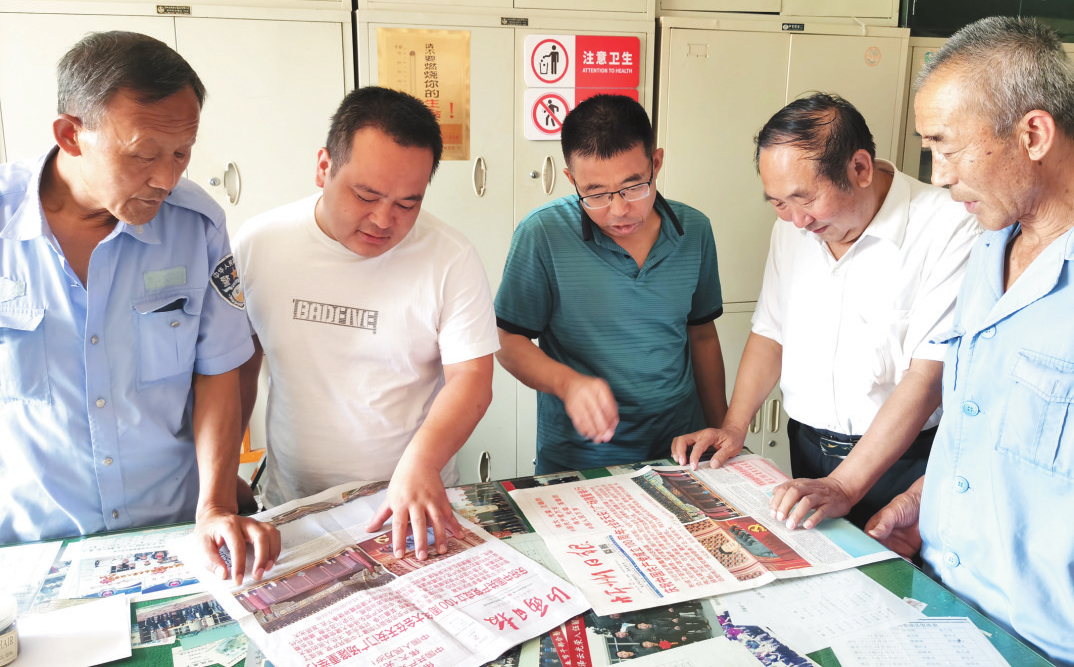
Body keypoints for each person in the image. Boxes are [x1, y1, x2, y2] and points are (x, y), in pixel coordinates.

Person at [0, 31, 278, 583]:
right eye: (144, 155)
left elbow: (219, 369)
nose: (167, 179)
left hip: (174, 534)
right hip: (29, 548)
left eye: (181, 153)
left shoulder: (196, 225)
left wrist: (215, 505)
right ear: (71, 135)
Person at [866, 17, 1074, 665]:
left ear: (1033, 134)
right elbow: (989, 424)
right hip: (946, 607)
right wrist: (923, 499)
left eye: (948, 148)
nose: (938, 174)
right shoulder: (989, 248)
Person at [673, 93, 979, 529]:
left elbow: (928, 376)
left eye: (805, 199)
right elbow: (771, 332)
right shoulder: (793, 227)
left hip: (904, 461)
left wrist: (845, 485)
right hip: (808, 449)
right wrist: (734, 426)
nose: (796, 220)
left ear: (860, 168)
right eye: (778, 202)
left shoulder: (949, 226)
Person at [235, 86, 497, 560]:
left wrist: (422, 463)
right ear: (324, 167)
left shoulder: (450, 257)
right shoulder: (259, 244)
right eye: (366, 195)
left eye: (407, 204)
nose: (383, 220)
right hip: (292, 505)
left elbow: (472, 378)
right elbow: (237, 366)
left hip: (408, 507)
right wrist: (218, 479)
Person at [495, 94, 727, 473]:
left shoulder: (695, 230)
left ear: (656, 164)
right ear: (571, 180)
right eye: (596, 194)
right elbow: (507, 340)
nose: (619, 210)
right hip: (581, 455)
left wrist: (722, 430)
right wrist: (568, 384)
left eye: (634, 187)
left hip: (681, 448)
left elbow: (701, 335)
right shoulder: (543, 234)